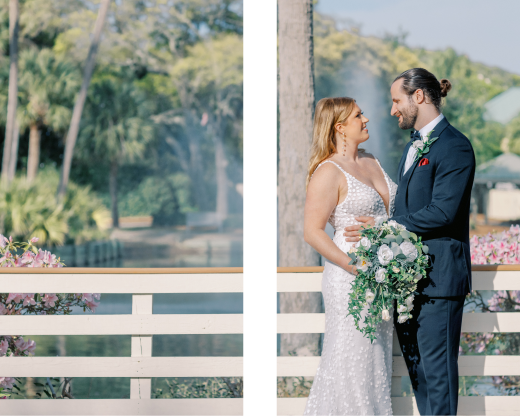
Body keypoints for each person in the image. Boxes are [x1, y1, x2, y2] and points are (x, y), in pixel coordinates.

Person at [344, 68, 476, 416]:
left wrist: (384, 225)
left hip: (440, 282)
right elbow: (406, 203)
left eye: (396, 101)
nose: (392, 110)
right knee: (419, 375)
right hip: (407, 281)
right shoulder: (411, 146)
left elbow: (443, 212)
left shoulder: (455, 146)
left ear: (419, 96)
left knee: (437, 375)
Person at [303, 96, 397, 416]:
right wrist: (354, 266)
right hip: (350, 279)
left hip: (381, 275)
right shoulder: (327, 171)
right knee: (349, 358)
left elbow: (390, 212)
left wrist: (388, 233)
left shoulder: (372, 160)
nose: (366, 119)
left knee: (375, 363)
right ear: (340, 127)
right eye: (359, 116)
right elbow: (312, 231)